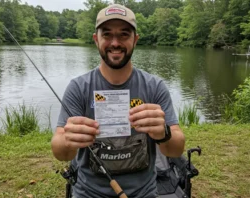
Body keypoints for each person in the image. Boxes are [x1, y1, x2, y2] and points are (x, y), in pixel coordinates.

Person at [51, 3, 185, 198]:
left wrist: (163, 133)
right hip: (89, 193)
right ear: (96, 39)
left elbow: (176, 149)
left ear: (135, 40)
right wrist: (68, 141)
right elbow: (61, 153)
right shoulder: (79, 87)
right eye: (107, 34)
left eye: (124, 34)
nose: (115, 43)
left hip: (143, 193)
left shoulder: (154, 87)